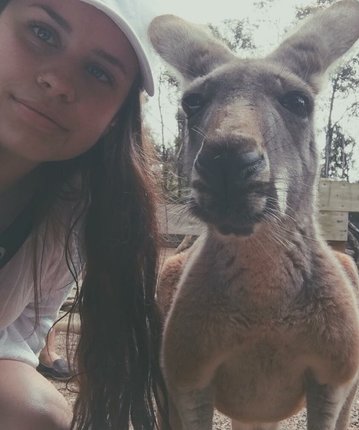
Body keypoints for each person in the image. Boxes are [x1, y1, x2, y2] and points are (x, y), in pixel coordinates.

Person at [0, 0, 166, 429]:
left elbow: (26, 324)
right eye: (42, 33)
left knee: (41, 415)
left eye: (99, 72)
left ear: (116, 117)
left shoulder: (75, 206)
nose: (58, 82)